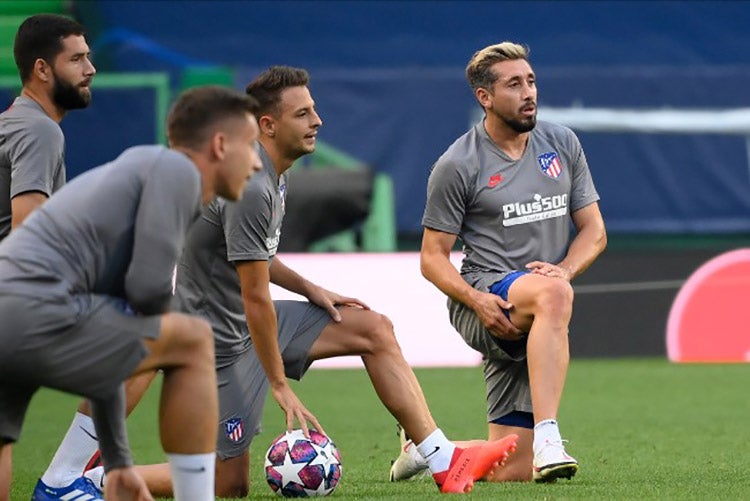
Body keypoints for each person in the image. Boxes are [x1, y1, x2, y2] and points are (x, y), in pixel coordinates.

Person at [76, 65, 518, 498]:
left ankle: (440, 459)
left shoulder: (274, 175)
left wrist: (312, 290)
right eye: (303, 113)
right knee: (226, 486)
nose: (318, 121)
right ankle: (101, 481)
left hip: (248, 324)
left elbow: (255, 257)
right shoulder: (251, 187)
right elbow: (254, 297)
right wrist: (280, 385)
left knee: (372, 328)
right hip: (219, 340)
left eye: (314, 109)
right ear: (267, 125)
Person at [0, 85, 263, 501]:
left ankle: (58, 487)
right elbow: (146, 293)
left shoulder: (142, 174)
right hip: (36, 309)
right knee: (193, 338)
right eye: (250, 147)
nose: (255, 163)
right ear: (219, 144)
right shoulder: (177, 172)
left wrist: (120, 461)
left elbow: (117, 343)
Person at [390, 42, 607, 484]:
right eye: (514, 84)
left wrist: (564, 269)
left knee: (512, 471)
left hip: (538, 309)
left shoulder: (562, 143)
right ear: (484, 97)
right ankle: (550, 436)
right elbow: (432, 259)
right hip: (484, 299)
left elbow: (594, 232)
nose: (529, 92)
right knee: (552, 292)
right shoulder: (457, 164)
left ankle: (430, 448)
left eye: (531, 81)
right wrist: (476, 300)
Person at [0, 13, 95, 241]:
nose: (90, 69)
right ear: (42, 70)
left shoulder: (13, 123)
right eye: (76, 59)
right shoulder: (39, 130)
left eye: (87, 57)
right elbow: (28, 236)